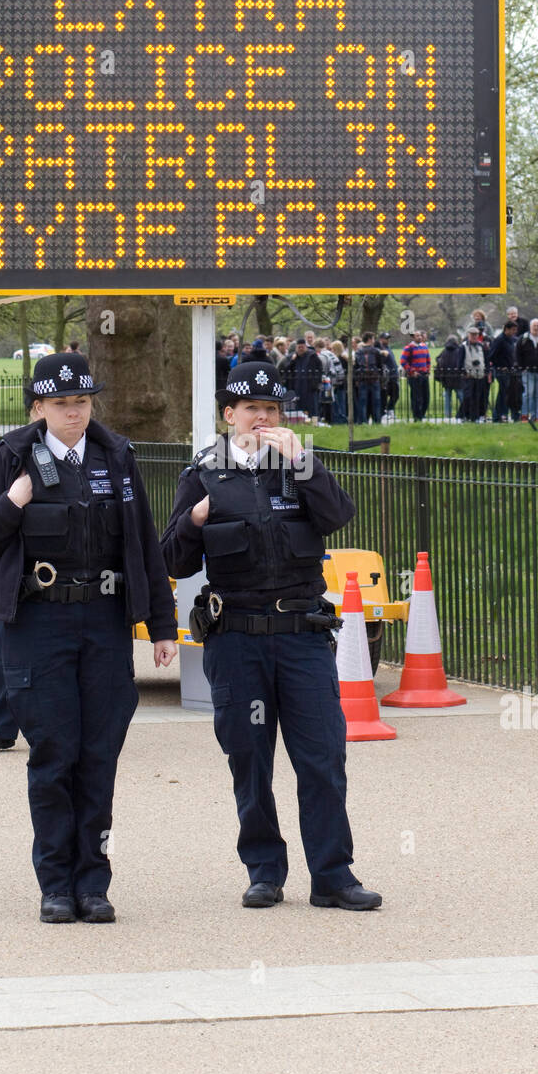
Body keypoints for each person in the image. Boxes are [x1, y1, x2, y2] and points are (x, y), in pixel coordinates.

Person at [0, 352, 177, 924]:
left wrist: (161, 626)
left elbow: (144, 544)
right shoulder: (9, 456)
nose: (73, 413)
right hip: (38, 626)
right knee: (54, 757)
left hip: (103, 624)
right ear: (39, 407)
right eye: (61, 403)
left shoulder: (116, 455)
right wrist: (14, 501)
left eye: (81, 401)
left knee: (99, 758)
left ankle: (94, 885)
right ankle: (55, 884)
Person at [161, 360, 381, 912]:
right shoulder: (203, 473)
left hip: (302, 634)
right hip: (236, 639)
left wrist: (303, 463)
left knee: (323, 757)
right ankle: (264, 871)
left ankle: (333, 875)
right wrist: (195, 519)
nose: (263, 418)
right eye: (252, 409)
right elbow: (172, 558)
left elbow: (339, 516)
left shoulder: (298, 466)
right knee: (249, 758)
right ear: (229, 414)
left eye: (273, 410)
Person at [282, 338, 322, 420]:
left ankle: (313, 421)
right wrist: (292, 361)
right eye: (299, 347)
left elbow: (319, 369)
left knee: (311, 406)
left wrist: (316, 383)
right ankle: (300, 421)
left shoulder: (312, 356)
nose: (300, 349)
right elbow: (286, 369)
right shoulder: (293, 357)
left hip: (309, 385)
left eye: (302, 347)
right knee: (298, 405)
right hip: (297, 385)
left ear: (305, 347)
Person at [487, 321, 519, 422]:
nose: (515, 332)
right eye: (513, 330)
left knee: (506, 393)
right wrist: (500, 365)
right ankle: (499, 415)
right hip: (501, 370)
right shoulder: (499, 340)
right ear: (507, 329)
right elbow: (491, 355)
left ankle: (500, 414)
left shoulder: (512, 340)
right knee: (504, 393)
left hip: (510, 370)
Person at [516, 318, 538, 422]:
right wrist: (521, 367)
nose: (536, 327)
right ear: (530, 326)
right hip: (527, 371)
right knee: (528, 393)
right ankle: (524, 414)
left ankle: (535, 415)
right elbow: (517, 353)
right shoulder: (523, 338)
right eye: (534, 325)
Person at [457, 325, 488, 421]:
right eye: (472, 335)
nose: (474, 336)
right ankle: (464, 415)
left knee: (477, 397)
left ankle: (475, 416)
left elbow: (486, 360)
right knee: (468, 396)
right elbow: (459, 361)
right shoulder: (463, 346)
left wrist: (487, 371)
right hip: (468, 375)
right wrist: (463, 372)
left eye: (476, 334)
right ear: (468, 335)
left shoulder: (481, 346)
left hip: (480, 375)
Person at [400, 331, 431, 421]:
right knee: (417, 398)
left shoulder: (424, 346)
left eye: (420, 336)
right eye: (417, 336)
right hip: (415, 376)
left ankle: (422, 414)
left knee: (426, 397)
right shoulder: (409, 348)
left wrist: (428, 370)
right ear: (413, 337)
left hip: (424, 374)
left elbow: (428, 360)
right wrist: (411, 371)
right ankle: (417, 417)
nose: (420, 337)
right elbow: (403, 361)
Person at [354, 332, 383, 424]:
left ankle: (363, 420)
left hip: (363, 378)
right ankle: (377, 421)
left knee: (362, 402)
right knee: (376, 402)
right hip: (374, 378)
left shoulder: (358, 352)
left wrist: (357, 379)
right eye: (373, 338)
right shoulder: (376, 351)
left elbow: (356, 365)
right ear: (370, 339)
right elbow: (380, 365)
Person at [434, 335, 463, 420]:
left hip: (446, 378)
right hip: (457, 378)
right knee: (461, 396)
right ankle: (464, 412)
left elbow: (437, 359)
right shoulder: (459, 351)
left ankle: (448, 415)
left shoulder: (444, 351)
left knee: (447, 397)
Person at [377, 332, 400, 421]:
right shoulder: (380, 349)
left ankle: (390, 409)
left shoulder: (388, 348)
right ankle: (384, 412)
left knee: (395, 394)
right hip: (387, 376)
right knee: (385, 395)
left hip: (394, 374)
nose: (387, 340)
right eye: (386, 338)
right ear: (381, 339)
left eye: (388, 338)